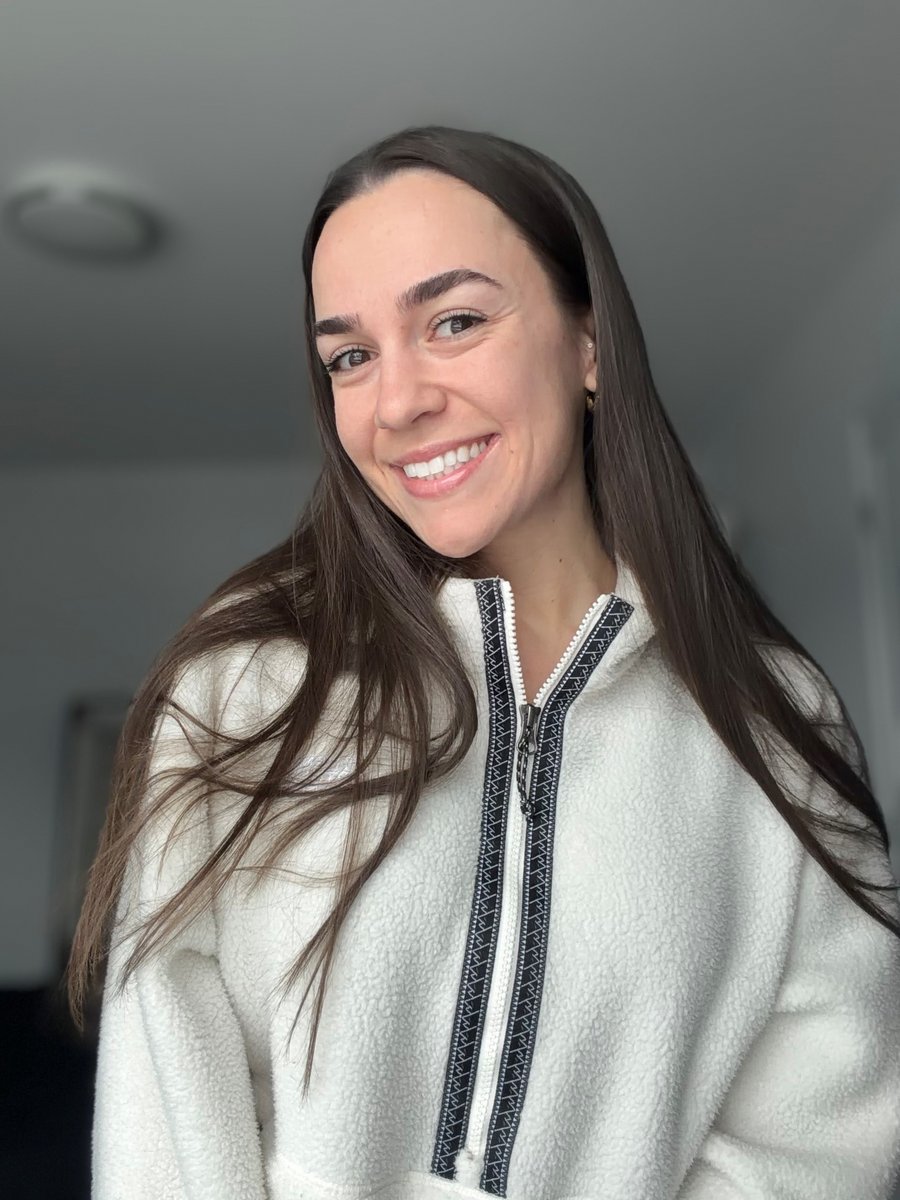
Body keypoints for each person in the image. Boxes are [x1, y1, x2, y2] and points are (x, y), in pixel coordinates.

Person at [68, 125, 900, 1200]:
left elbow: (823, 1143)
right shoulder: (249, 682)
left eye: (454, 321)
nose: (396, 401)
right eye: (350, 356)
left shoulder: (776, 725)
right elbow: (166, 1101)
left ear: (588, 345)